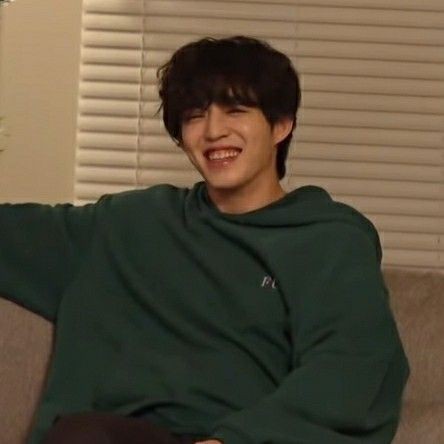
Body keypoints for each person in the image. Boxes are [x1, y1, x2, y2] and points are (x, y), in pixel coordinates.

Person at [0, 35, 409, 444]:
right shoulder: (130, 223)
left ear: (281, 125)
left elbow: (351, 364)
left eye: (236, 110)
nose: (213, 131)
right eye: (195, 116)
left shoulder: (329, 240)